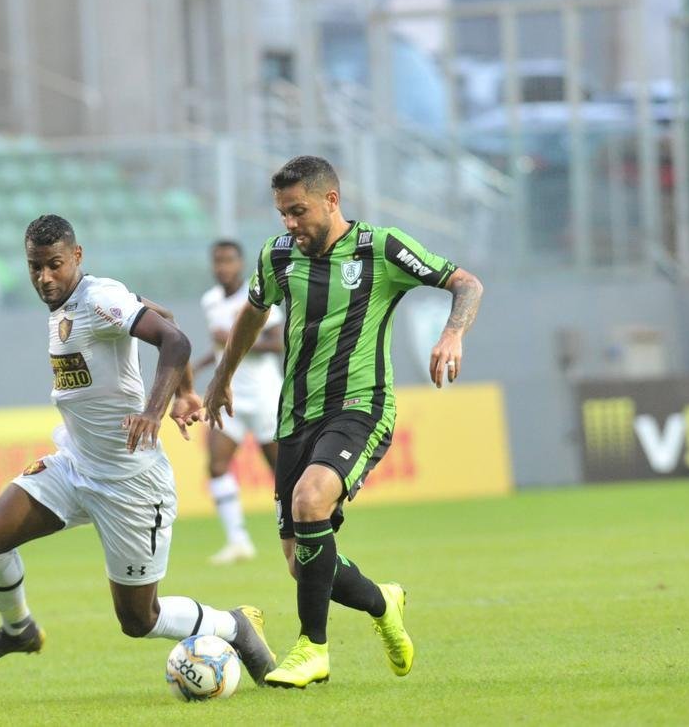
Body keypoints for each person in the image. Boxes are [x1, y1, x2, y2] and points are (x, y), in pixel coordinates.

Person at [199, 155, 484, 688]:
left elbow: (466, 283)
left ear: (331, 200)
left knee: (310, 501)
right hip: (295, 414)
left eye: (298, 211)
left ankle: (313, 648)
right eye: (282, 213)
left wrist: (452, 334)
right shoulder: (278, 254)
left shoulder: (381, 248)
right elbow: (254, 312)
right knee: (300, 562)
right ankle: (383, 603)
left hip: (360, 406)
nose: (289, 223)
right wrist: (222, 376)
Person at [0, 215, 276, 685]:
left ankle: (235, 627)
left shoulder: (99, 298)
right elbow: (166, 317)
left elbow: (174, 340)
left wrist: (154, 410)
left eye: (54, 264)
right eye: (35, 267)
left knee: (139, 619)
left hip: (130, 483)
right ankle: (18, 629)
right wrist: (186, 390)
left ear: (77, 256)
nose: (44, 277)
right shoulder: (69, 302)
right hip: (75, 466)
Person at [195, 240, 284, 565]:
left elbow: (278, 344)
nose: (223, 267)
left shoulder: (258, 295)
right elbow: (223, 349)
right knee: (216, 466)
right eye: (218, 261)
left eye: (229, 260)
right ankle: (238, 541)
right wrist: (197, 367)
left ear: (241, 263)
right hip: (229, 396)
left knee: (281, 472)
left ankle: (298, 533)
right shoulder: (210, 301)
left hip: (264, 397)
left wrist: (234, 336)